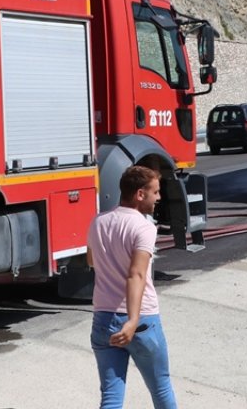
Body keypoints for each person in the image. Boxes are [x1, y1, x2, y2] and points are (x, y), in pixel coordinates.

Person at [86, 165, 178, 409]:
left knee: (111, 396)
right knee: (161, 386)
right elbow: (136, 274)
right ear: (140, 194)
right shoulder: (144, 227)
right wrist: (132, 320)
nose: (159, 198)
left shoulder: (98, 221)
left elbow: (91, 261)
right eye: (155, 192)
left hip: (103, 319)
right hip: (141, 321)